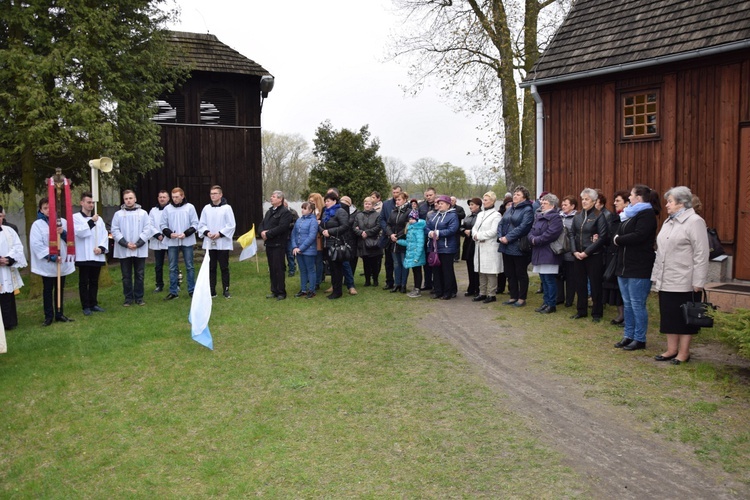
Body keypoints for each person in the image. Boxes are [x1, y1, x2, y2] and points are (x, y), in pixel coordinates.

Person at [651, 186, 709, 364]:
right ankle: (671, 349)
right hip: (667, 278)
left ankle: (684, 353)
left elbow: (701, 253)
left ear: (682, 203)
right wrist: (656, 276)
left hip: (685, 279)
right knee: (669, 316)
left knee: (684, 318)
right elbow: (661, 251)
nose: (666, 205)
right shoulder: (669, 222)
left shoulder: (694, 221)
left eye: (670, 201)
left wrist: (698, 281)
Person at [612, 185, 659, 351]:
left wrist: (618, 240)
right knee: (628, 303)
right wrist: (618, 238)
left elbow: (639, 236)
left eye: (631, 195)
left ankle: (640, 338)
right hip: (624, 266)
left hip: (639, 266)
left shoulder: (647, 214)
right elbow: (619, 232)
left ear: (639, 197)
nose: (629, 198)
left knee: (637, 304)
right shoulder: (630, 214)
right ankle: (628, 335)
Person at [30, 198, 75, 326]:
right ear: (41, 210)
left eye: (50, 207)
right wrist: (53, 256)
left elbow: (71, 240)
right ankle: (48, 316)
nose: (48, 210)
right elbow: (37, 244)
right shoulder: (37, 225)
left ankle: (60, 313)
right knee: (48, 289)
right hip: (48, 264)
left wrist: (63, 232)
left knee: (60, 288)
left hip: (62, 263)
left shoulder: (63, 222)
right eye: (45, 208)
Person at [570, 188, 609, 322]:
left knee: (595, 284)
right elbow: (572, 234)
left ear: (594, 201)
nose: (584, 201)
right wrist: (575, 251)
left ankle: (597, 313)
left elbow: (602, 237)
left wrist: (586, 252)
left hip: (593, 255)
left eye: (587, 199)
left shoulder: (599, 216)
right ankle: (581, 310)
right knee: (580, 284)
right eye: (583, 199)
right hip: (578, 255)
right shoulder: (578, 215)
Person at [112, 190, 154, 306]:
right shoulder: (118, 214)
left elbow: (147, 229)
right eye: (126, 199)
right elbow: (115, 230)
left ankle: (139, 297)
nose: (128, 201)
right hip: (124, 249)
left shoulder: (143, 213)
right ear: (123, 200)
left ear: (135, 199)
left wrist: (137, 243)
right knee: (126, 275)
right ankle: (128, 298)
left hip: (139, 248)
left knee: (139, 274)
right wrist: (126, 243)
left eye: (130, 198)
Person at [497, 186, 534, 307]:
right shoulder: (510, 208)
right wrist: (501, 236)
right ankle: (513, 296)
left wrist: (508, 237)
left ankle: (522, 298)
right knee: (509, 272)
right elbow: (501, 223)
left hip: (518, 246)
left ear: (524, 197)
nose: (515, 196)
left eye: (518, 194)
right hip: (505, 246)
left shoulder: (528, 210)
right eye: (514, 194)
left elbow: (524, 227)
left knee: (520, 273)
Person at [198, 185, 236, 298]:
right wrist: (207, 233)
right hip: (210, 242)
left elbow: (231, 225)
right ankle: (212, 290)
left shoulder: (227, 208)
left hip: (222, 242)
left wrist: (219, 234)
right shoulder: (206, 208)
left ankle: (226, 289)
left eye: (215, 193)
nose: (213, 196)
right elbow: (201, 224)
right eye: (211, 194)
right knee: (211, 267)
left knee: (224, 267)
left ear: (220, 195)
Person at [73, 192, 108, 315]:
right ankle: (85, 305)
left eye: (92, 202)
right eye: (88, 202)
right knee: (84, 281)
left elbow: (104, 235)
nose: (91, 205)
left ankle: (93, 303)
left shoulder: (100, 219)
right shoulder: (75, 218)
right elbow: (80, 233)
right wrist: (91, 222)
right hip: (83, 255)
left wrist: (101, 248)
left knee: (94, 281)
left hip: (96, 255)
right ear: (82, 203)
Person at [529, 193, 564, 313]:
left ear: (552, 205)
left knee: (549, 279)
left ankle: (551, 304)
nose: (542, 205)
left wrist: (536, 240)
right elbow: (532, 230)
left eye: (545, 203)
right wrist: (531, 238)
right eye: (542, 202)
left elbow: (551, 233)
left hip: (549, 252)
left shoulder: (556, 218)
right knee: (543, 279)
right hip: (539, 251)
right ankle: (545, 302)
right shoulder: (539, 216)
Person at [603, 191, 630, 325]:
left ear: (627, 203)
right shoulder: (613, 218)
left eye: (618, 200)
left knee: (624, 289)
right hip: (612, 256)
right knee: (615, 287)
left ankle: (628, 317)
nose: (614, 203)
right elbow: (609, 236)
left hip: (624, 257)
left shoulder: (630, 219)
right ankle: (620, 314)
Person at [425, 195, 459, 300]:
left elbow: (452, 229)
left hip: (447, 248)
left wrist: (439, 233)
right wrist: (430, 232)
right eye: (438, 203)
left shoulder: (453, 216)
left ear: (448, 205)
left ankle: (448, 292)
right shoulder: (434, 215)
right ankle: (438, 291)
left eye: (442, 203)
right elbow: (427, 226)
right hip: (435, 247)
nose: (439, 205)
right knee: (436, 270)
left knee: (447, 270)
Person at [471, 192, 503, 303]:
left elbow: (493, 231)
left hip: (490, 246)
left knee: (490, 271)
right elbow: (475, 227)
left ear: (493, 201)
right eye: (483, 200)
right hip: (479, 245)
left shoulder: (496, 215)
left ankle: (491, 294)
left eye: (486, 200)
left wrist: (479, 235)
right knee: (481, 270)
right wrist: (474, 235)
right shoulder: (480, 214)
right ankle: (482, 292)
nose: (484, 202)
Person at [261, 190, 293, 300]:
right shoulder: (269, 211)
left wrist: (268, 234)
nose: (271, 198)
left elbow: (282, 227)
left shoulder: (285, 212)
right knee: (272, 268)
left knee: (278, 268)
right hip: (269, 244)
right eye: (271, 196)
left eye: (274, 196)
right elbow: (263, 223)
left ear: (280, 199)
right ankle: (274, 290)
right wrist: (262, 232)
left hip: (278, 244)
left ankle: (281, 292)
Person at [319, 192, 349, 299]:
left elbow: (345, 226)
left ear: (334, 201)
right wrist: (323, 231)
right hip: (327, 243)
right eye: (325, 201)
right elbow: (321, 225)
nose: (326, 203)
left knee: (337, 268)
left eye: (328, 201)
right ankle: (334, 289)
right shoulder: (325, 212)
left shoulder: (340, 211)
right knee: (331, 268)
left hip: (337, 243)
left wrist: (330, 232)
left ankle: (338, 291)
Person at [0, 213, 26, 330]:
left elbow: (18, 247)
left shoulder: (9, 231)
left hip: (6, 268)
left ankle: (9, 322)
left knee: (7, 294)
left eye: (1, 216)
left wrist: (9, 259)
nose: (0, 219)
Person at [353, 196, 383, 287]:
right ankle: (367, 280)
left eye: (369, 204)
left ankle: (375, 280)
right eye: (366, 203)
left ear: (372, 205)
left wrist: (367, 232)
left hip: (373, 241)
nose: (367, 205)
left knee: (374, 262)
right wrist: (361, 232)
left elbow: (378, 227)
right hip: (363, 242)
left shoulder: (377, 215)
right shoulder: (359, 215)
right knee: (366, 262)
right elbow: (354, 227)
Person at [291, 202, 318, 298]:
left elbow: (312, 236)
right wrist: (294, 247)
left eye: (305, 208)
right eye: (302, 208)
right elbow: (293, 234)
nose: (302, 210)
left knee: (310, 269)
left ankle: (312, 290)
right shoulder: (299, 220)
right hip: (298, 250)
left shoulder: (313, 221)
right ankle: (303, 289)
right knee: (302, 270)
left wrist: (301, 248)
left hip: (308, 250)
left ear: (310, 210)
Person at [385, 192, 410, 293]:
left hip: (403, 241)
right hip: (393, 241)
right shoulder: (393, 212)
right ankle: (397, 284)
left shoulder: (409, 212)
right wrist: (391, 234)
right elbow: (388, 225)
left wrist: (398, 236)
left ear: (404, 200)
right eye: (396, 200)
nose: (397, 201)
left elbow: (407, 227)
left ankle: (403, 285)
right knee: (396, 264)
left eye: (399, 199)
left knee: (404, 264)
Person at [379, 185, 402, 290]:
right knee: (388, 261)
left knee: (399, 261)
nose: (395, 194)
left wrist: (398, 234)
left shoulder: (406, 205)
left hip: (400, 236)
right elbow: (382, 219)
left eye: (397, 192)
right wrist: (389, 233)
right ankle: (389, 282)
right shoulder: (386, 204)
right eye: (394, 192)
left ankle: (400, 282)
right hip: (388, 236)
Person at [555, 195, 577, 307]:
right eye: (562, 205)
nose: (563, 207)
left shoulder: (576, 217)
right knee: (558, 275)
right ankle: (559, 297)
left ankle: (569, 300)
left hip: (570, 251)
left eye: (566, 205)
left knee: (570, 277)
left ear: (572, 206)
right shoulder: (558, 217)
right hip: (559, 251)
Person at [399, 212, 426, 297]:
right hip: (411, 253)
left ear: (417, 219)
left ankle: (417, 289)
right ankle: (415, 287)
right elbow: (409, 243)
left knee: (417, 271)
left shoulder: (419, 230)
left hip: (416, 255)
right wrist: (398, 241)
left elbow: (420, 243)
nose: (411, 221)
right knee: (414, 271)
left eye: (413, 219)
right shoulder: (410, 229)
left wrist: (417, 256)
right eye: (410, 219)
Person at [148, 190, 170, 293]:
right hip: (158, 240)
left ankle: (175, 284)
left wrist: (167, 234)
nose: (162, 199)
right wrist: (158, 235)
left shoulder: (172, 209)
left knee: (173, 264)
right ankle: (159, 285)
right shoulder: (153, 211)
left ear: (168, 198)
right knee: (158, 265)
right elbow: (150, 224)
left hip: (170, 239)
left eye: (164, 197)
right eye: (160, 197)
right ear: (158, 198)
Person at [461, 197, 481, 297]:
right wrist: (464, 231)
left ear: (478, 205)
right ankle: (471, 287)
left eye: (472, 204)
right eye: (470, 205)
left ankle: (477, 288)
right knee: (469, 266)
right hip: (468, 243)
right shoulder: (468, 216)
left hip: (476, 243)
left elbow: (481, 229)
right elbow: (462, 226)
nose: (470, 206)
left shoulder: (481, 216)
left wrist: (472, 232)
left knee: (476, 267)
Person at [418, 187, 437, 291]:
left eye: (431, 195)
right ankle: (427, 283)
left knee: (434, 259)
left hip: (434, 236)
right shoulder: (421, 206)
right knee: (425, 261)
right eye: (427, 195)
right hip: (423, 236)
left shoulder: (438, 205)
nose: (429, 197)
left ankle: (436, 283)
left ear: (435, 194)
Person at [339, 195, 358, 295]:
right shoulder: (336, 211)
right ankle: (335, 285)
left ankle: (350, 285)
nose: (343, 204)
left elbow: (349, 224)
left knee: (346, 264)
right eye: (342, 201)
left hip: (349, 241)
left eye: (346, 202)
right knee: (335, 265)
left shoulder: (354, 213)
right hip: (337, 239)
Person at [308, 192, 326, 289]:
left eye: (312, 201)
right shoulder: (309, 211)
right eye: (309, 201)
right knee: (310, 261)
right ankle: (310, 279)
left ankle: (317, 281)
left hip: (318, 240)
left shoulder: (322, 212)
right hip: (309, 240)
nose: (310, 203)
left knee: (318, 261)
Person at [284, 200, 298, 278]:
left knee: (290, 254)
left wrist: (288, 225)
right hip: (281, 237)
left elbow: (297, 223)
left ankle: (292, 269)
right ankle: (283, 269)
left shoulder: (293, 212)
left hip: (290, 236)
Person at [450, 196, 466, 261]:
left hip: (457, 228)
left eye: (453, 200)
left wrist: (455, 213)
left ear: (455, 201)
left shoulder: (459, 208)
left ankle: (456, 257)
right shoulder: (447, 208)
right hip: (449, 228)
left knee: (457, 243)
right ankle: (450, 256)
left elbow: (463, 215)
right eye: (450, 200)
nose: (451, 202)